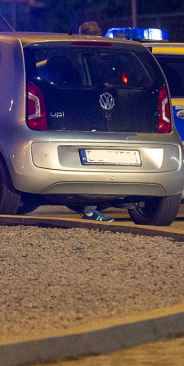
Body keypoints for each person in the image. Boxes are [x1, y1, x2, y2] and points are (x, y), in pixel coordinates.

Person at [77, 19, 113, 222]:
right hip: (96, 118)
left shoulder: (71, 56)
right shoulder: (100, 60)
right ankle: (89, 210)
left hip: (79, 117)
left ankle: (89, 208)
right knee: (94, 163)